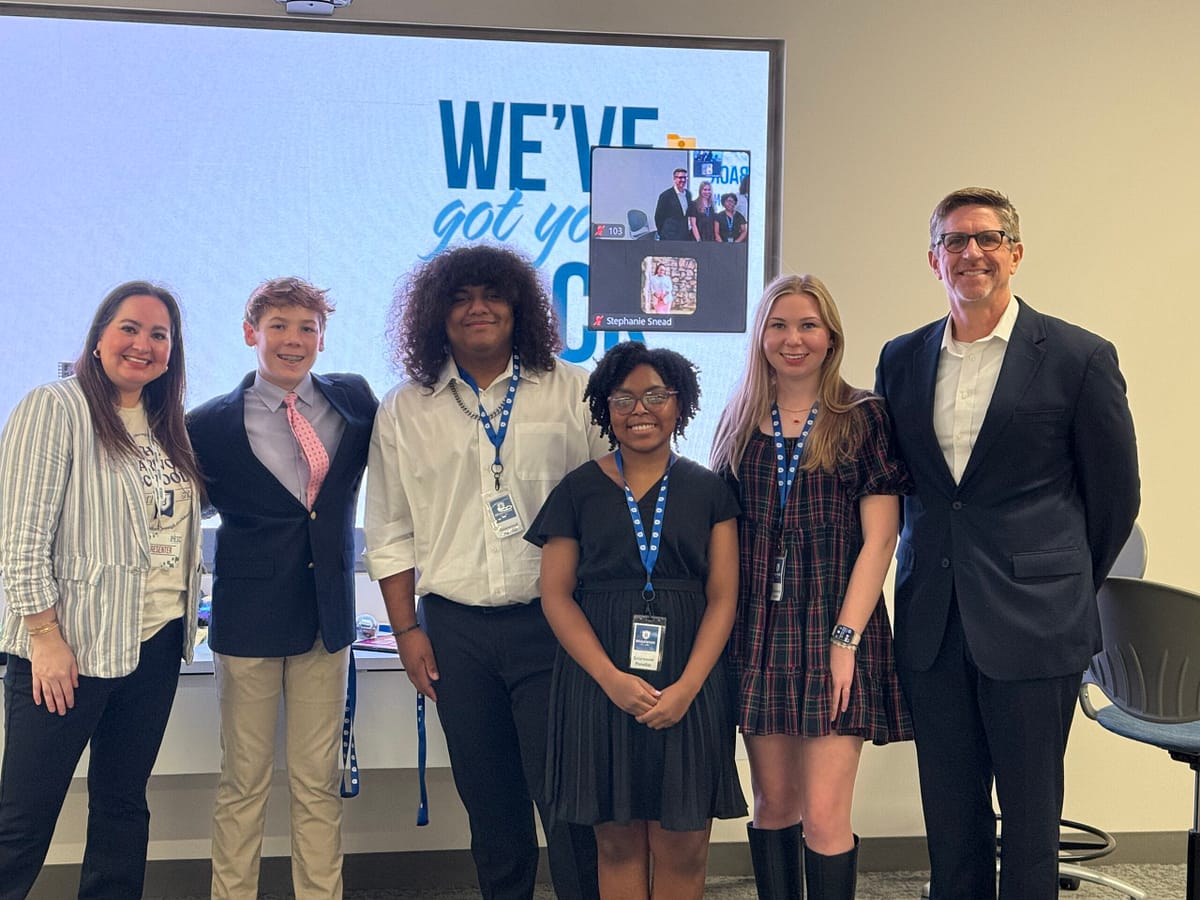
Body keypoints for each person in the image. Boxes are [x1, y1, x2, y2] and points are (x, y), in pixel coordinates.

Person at [874, 187, 1139, 900]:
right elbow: (908, 488)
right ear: (934, 260)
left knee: (1029, 826)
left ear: (1015, 254)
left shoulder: (1078, 357)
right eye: (956, 242)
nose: (973, 254)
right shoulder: (900, 360)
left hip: (1035, 622)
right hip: (934, 619)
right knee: (951, 820)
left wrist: (1058, 584)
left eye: (988, 239)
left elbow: (1115, 498)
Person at [364, 244, 604, 900]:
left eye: (492, 294)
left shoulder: (573, 389)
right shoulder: (403, 408)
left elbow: (614, 500)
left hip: (554, 627)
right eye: (461, 296)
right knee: (491, 806)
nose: (478, 308)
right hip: (454, 634)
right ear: (437, 314)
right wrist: (408, 630)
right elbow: (389, 533)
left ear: (518, 304)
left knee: (571, 805)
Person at [710, 274, 913, 899]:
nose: (792, 339)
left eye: (807, 326)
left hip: (835, 628)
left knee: (825, 816)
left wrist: (845, 640)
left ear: (831, 338)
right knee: (773, 803)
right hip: (758, 634)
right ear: (760, 336)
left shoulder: (862, 417)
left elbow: (881, 539)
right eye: (778, 325)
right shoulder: (740, 419)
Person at [0, 281, 204, 900]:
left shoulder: (168, 424)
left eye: (159, 335)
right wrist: (45, 638)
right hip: (68, 651)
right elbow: (19, 537)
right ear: (97, 339)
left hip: (155, 643)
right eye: (129, 329)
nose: (142, 345)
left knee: (122, 807)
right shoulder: (55, 406)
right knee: (24, 822)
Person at [528, 342, 746, 900]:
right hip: (599, 682)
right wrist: (611, 680)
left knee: (684, 841)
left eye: (655, 395)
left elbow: (723, 597)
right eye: (623, 398)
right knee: (617, 841)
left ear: (679, 404)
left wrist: (688, 688)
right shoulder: (577, 489)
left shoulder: (709, 489)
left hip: (689, 681)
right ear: (605, 408)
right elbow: (555, 595)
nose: (639, 409)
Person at [187, 277, 377, 899]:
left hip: (328, 620)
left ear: (323, 336)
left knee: (317, 780)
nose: (292, 340)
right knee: (243, 781)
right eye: (279, 327)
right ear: (251, 334)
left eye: (306, 328)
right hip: (247, 622)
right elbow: (182, 514)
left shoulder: (354, 400)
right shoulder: (207, 424)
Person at [653, 168, 693, 241]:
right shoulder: (665, 195)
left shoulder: (688, 194)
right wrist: (663, 232)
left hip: (684, 235)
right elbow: (658, 217)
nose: (683, 180)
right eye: (680, 178)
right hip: (669, 236)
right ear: (674, 179)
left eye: (685, 178)